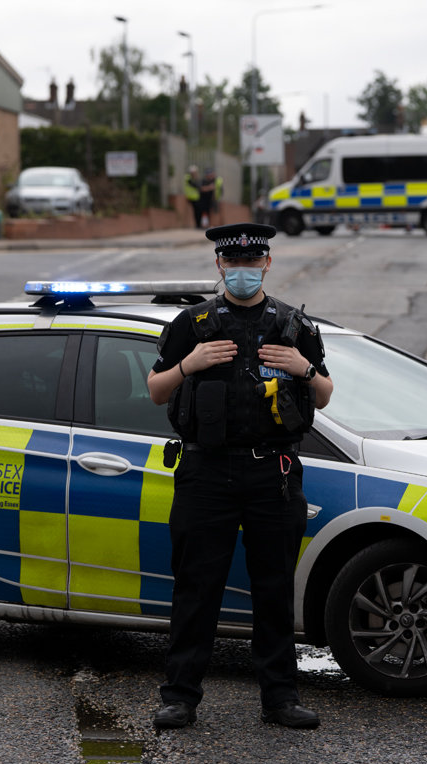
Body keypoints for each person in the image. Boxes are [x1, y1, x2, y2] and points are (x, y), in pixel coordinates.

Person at [147, 223, 334, 731]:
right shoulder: (192, 323)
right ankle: (180, 696)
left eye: (253, 262)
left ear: (268, 264)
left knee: (274, 590)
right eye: (235, 263)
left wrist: (302, 368)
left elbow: (324, 395)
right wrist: (189, 363)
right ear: (219, 266)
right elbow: (157, 390)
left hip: (272, 473)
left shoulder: (294, 326)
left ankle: (280, 699)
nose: (244, 270)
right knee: (196, 588)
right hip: (206, 472)